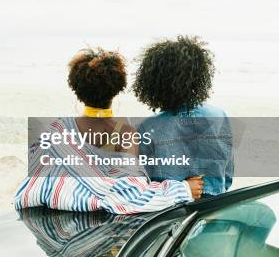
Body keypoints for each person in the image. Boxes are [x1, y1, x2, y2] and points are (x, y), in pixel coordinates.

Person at [15, 48, 204, 214]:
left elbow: (37, 178)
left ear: (75, 88)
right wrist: (183, 189)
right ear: (117, 89)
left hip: (55, 214)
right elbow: (132, 194)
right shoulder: (125, 133)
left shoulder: (55, 129)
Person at [133, 36, 233, 197]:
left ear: (154, 81)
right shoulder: (219, 116)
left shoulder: (147, 127)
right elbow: (227, 178)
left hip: (171, 212)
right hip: (214, 207)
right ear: (199, 76)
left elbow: (146, 184)